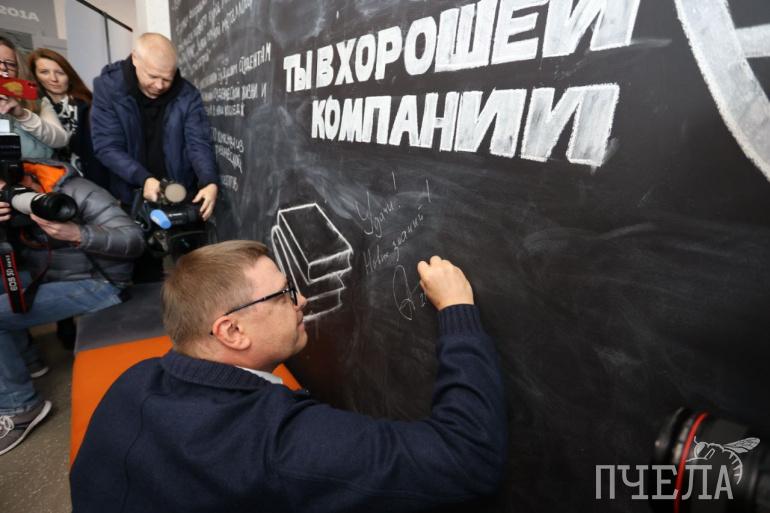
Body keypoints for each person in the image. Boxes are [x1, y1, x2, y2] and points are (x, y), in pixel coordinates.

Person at [70, 241, 507, 512]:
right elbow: (467, 457)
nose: (300, 301)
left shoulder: (134, 381)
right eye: (282, 294)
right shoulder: (278, 445)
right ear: (232, 331)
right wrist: (458, 311)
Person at [0, 161, 145, 456]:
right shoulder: (12, 205)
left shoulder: (76, 190)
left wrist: (77, 233)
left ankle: (20, 407)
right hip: (50, 274)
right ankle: (27, 359)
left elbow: (134, 239)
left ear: (20, 177)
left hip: (101, 282)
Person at [90, 32, 218, 219]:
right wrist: (143, 179)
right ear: (135, 59)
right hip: (131, 195)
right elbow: (107, 147)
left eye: (167, 79)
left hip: (179, 195)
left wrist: (209, 181)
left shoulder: (187, 95)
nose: (159, 86)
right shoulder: (109, 89)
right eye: (152, 76)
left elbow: (198, 143)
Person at [28, 48, 111, 190]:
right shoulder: (31, 109)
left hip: (93, 183)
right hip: (48, 184)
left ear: (69, 75)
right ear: (35, 75)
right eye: (44, 72)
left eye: (60, 72)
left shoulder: (89, 105)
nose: (53, 79)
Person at [0, 37, 68, 159]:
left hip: (37, 168)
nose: (3, 67)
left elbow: (61, 140)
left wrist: (23, 115)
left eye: (10, 64)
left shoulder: (36, 101)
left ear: (18, 69)